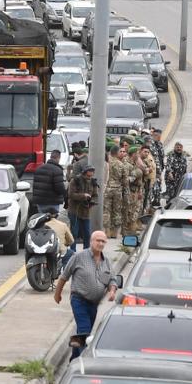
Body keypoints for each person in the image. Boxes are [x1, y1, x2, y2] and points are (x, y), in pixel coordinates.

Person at [53, 230, 118, 359]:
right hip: (79, 300)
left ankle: (74, 358)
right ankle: (85, 362)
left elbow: (112, 279)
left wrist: (112, 290)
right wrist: (57, 293)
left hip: (94, 304)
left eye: (103, 241)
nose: (100, 243)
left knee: (82, 333)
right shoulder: (79, 257)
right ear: (91, 241)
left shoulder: (107, 262)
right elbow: (64, 276)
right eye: (97, 240)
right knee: (85, 330)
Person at [66, 166, 96, 250]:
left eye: (91, 176)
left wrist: (92, 202)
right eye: (88, 176)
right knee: (74, 233)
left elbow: (95, 195)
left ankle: (86, 251)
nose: (89, 178)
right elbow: (71, 195)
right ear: (84, 173)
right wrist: (83, 196)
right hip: (75, 211)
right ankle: (72, 251)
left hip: (86, 212)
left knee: (87, 233)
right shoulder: (75, 181)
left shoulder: (93, 182)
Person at [31, 149, 67, 214]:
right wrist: (65, 195)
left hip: (40, 201)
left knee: (42, 220)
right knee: (52, 222)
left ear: (50, 157)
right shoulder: (57, 170)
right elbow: (59, 188)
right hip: (53, 202)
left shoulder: (39, 169)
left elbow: (35, 186)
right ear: (58, 158)